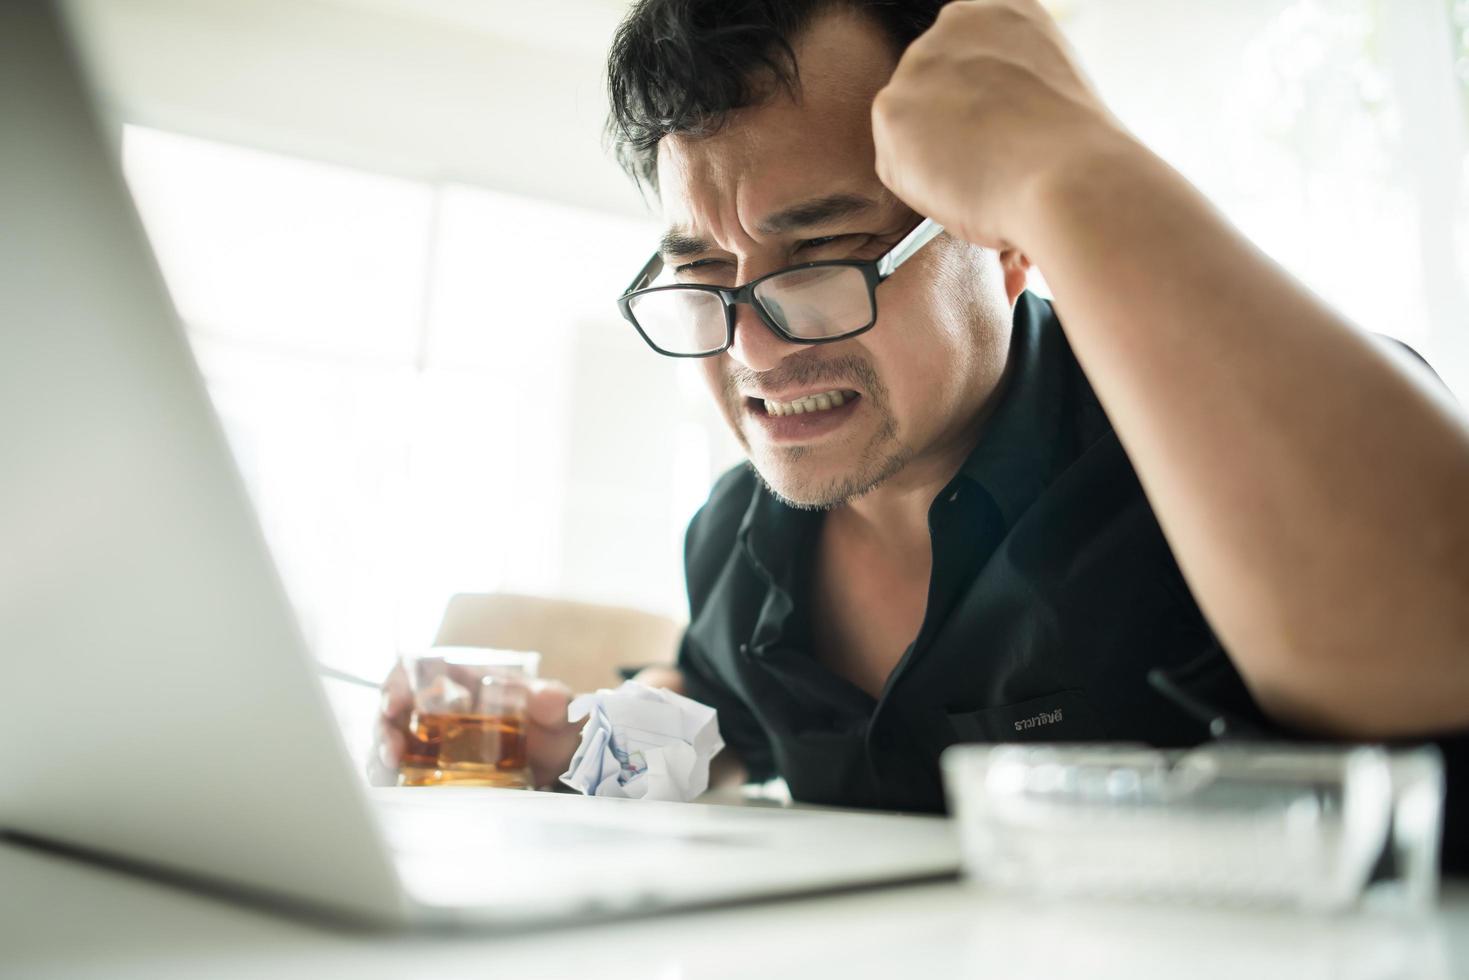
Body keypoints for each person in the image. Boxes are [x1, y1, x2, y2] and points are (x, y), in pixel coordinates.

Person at [376, 0, 1469, 868]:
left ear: (1001, 245)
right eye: (703, 275)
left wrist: (1068, 163)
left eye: (820, 254)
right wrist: (598, 741)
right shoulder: (735, 533)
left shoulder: (1200, 426)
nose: (753, 353)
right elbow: (724, 718)